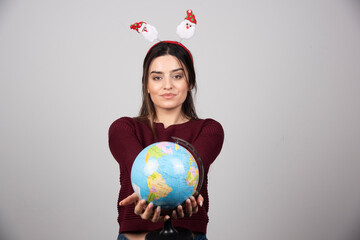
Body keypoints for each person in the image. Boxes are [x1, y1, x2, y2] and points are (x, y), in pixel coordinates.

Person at [108, 41, 224, 240]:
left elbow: (190, 173)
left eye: (177, 76)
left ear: (191, 82)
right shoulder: (123, 128)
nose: (167, 85)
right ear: (146, 85)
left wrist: (157, 197)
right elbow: (143, 173)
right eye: (157, 77)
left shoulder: (209, 130)